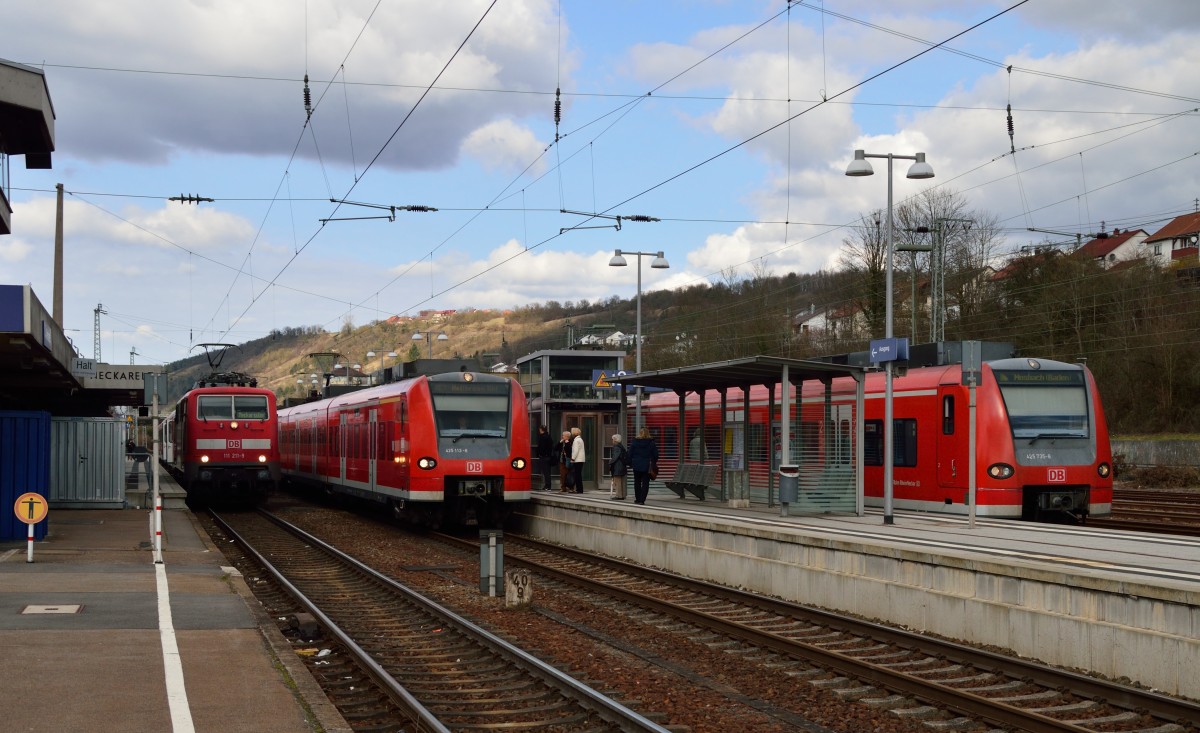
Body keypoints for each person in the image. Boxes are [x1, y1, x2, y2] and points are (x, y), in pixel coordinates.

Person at [628, 427, 659, 505]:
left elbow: (629, 454)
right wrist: (653, 462)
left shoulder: (634, 442)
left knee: (637, 482)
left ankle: (637, 499)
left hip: (636, 465)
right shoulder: (651, 443)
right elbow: (656, 455)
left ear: (640, 433)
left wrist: (630, 463)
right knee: (645, 483)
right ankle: (642, 500)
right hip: (647, 466)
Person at [608, 434, 628, 500]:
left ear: (615, 440)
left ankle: (618, 495)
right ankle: (622, 495)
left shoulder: (616, 447)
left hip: (618, 466)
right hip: (622, 466)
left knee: (617, 481)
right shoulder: (621, 446)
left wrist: (610, 462)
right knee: (622, 481)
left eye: (613, 439)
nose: (612, 441)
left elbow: (615, 457)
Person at [536, 425, 554, 490]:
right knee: (547, 472)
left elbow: (541, 448)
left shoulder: (543, 437)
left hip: (544, 457)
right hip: (548, 456)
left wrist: (540, 454)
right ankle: (547, 485)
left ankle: (548, 486)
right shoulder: (549, 436)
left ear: (541, 429)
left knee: (546, 472)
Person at [570, 426, 586, 493]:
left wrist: (573, 458)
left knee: (577, 475)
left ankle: (579, 489)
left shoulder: (576, 440)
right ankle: (580, 489)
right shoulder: (580, 439)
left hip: (577, 460)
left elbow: (576, 450)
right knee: (578, 474)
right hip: (581, 459)